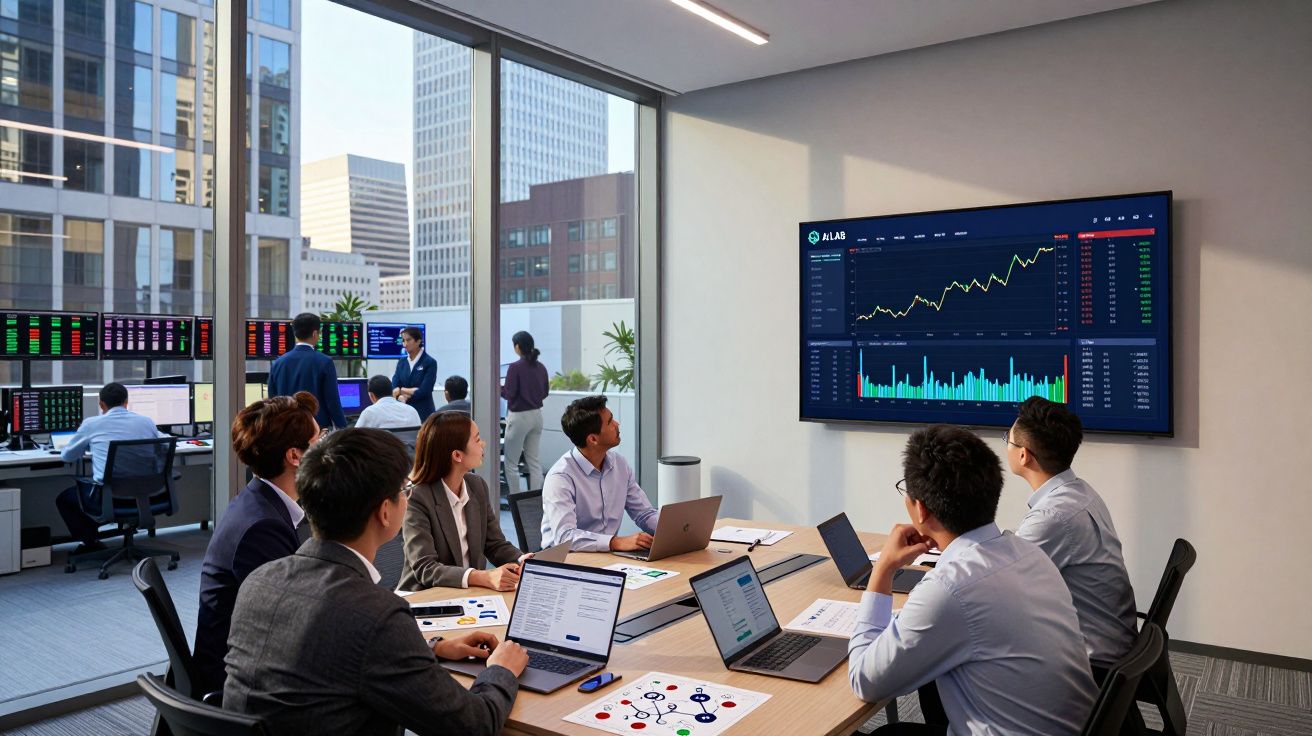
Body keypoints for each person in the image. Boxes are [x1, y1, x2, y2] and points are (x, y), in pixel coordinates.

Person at [223, 428, 528, 735]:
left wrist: (432, 647)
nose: (407, 499)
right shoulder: (378, 615)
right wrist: (502, 670)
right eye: (403, 492)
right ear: (385, 511)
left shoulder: (258, 582)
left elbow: (337, 648)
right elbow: (473, 725)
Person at [848, 425, 1095, 735]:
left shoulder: (949, 589)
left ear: (920, 509)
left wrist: (883, 568)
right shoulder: (1029, 553)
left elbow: (863, 681)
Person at [192, 392, 320, 696]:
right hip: (242, 684)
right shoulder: (262, 528)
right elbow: (292, 625)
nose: (326, 451)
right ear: (294, 456)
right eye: (319, 442)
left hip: (251, 661)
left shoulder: (259, 503)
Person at [1006, 397, 1137, 677]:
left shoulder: (1052, 517)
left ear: (1023, 455)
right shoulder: (1080, 493)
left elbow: (999, 587)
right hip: (1111, 641)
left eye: (1009, 438)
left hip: (1091, 662)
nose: (1006, 443)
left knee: (952, 652)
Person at [398, 412, 527, 592]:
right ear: (457, 455)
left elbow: (494, 544)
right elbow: (426, 568)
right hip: (426, 598)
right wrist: (483, 576)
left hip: (470, 594)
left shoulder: (477, 486)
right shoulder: (417, 497)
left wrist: (524, 561)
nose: (483, 444)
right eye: (477, 439)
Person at [540, 395, 657, 552]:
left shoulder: (620, 465)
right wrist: (615, 542)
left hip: (605, 557)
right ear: (593, 439)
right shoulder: (560, 478)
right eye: (610, 422)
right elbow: (565, 538)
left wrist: (673, 530)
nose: (617, 424)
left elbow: (644, 514)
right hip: (564, 561)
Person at [55, 383, 163, 550]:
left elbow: (67, 456)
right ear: (126, 402)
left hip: (109, 497)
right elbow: (162, 449)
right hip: (145, 495)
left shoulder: (91, 424)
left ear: (101, 404)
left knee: (64, 499)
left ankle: (90, 542)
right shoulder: (147, 422)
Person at [267, 312, 348, 430]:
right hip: (316, 430)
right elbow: (332, 401)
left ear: (295, 334)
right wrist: (343, 427)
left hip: (286, 429)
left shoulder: (278, 363)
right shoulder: (325, 362)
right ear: (315, 334)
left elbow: (272, 400)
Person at [500, 330, 549, 493]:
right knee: (533, 461)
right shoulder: (541, 367)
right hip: (537, 416)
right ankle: (535, 498)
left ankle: (515, 499)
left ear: (518, 347)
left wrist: (498, 388)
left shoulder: (515, 367)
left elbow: (510, 393)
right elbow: (545, 392)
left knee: (511, 463)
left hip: (519, 417)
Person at [392, 326, 438, 421]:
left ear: (418, 341)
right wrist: (405, 392)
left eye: (408, 340)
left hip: (423, 414)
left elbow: (425, 391)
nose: (405, 344)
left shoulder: (430, 362)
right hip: (403, 414)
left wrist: (401, 390)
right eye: (403, 341)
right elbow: (394, 385)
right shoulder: (401, 362)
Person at [354, 375, 421, 429]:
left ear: (371, 395)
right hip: (408, 446)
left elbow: (354, 438)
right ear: (392, 392)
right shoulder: (412, 411)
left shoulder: (369, 412)